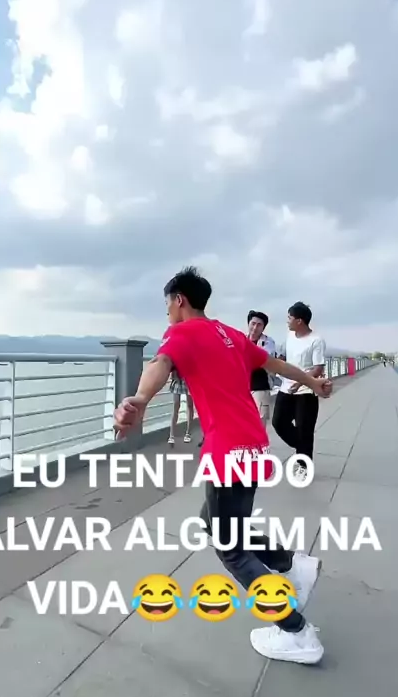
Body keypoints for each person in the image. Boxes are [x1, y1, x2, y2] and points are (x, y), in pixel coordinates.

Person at [114, 267, 333, 665]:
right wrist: (314, 383)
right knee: (218, 522)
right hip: (253, 446)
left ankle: (296, 631)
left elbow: (160, 363)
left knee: (230, 549)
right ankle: (290, 565)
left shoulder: (182, 333)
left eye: (167, 304)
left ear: (179, 300)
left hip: (227, 451)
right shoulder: (229, 334)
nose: (167, 312)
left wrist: (141, 399)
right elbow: (277, 366)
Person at [272, 302, 326, 483]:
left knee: (305, 429)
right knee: (278, 422)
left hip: (306, 391)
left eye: (290, 317)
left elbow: (318, 368)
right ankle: (302, 447)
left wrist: (301, 381)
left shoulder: (316, 340)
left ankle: (304, 466)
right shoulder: (289, 336)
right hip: (286, 388)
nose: (287, 321)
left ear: (299, 321)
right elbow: (283, 357)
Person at [247, 310, 277, 425]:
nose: (255, 328)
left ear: (263, 327)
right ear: (249, 324)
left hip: (260, 385)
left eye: (259, 325)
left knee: (259, 422)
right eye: (253, 323)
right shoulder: (242, 339)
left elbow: (263, 360)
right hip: (243, 387)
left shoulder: (268, 342)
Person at [168, 369, 194, 444]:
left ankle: (188, 433)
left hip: (189, 377)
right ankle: (171, 435)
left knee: (189, 405)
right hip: (177, 378)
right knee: (176, 405)